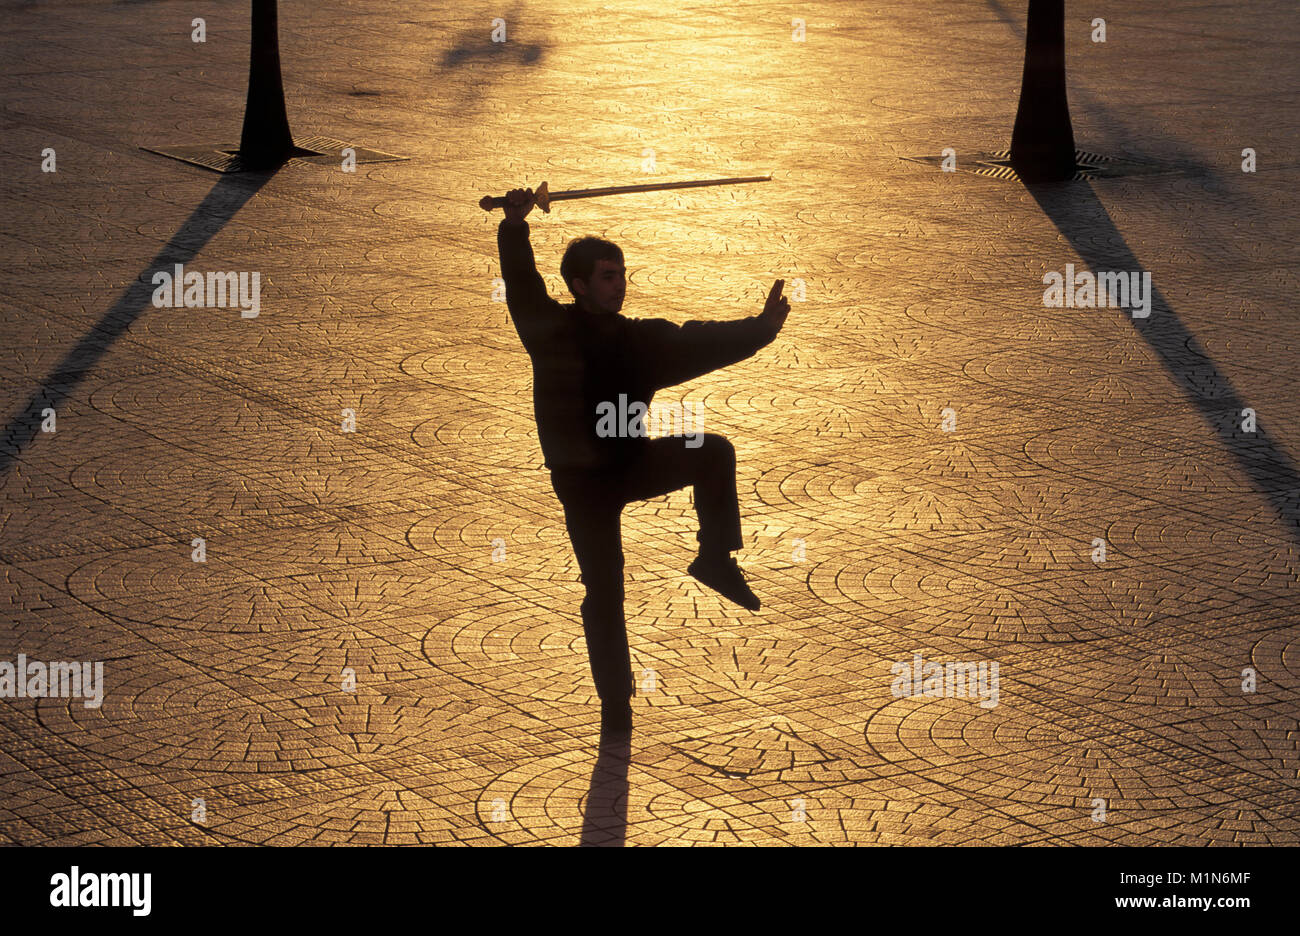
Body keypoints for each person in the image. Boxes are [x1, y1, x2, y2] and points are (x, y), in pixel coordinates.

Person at [494, 186, 791, 731]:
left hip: (631, 465)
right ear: (580, 285)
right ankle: (616, 703)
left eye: (621, 273)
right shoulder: (552, 332)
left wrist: (760, 329)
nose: (619, 284)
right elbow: (521, 284)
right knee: (604, 589)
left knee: (712, 451)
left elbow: (698, 340)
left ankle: (714, 558)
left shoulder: (639, 340)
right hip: (583, 484)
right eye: (608, 275)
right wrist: (515, 226)